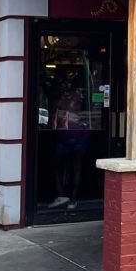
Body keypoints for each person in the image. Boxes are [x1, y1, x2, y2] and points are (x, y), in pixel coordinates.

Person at [52, 80, 88, 209]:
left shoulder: (65, 97)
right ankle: (73, 199)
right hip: (80, 134)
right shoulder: (80, 97)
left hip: (64, 136)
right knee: (77, 168)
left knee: (56, 166)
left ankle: (62, 195)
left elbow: (56, 108)